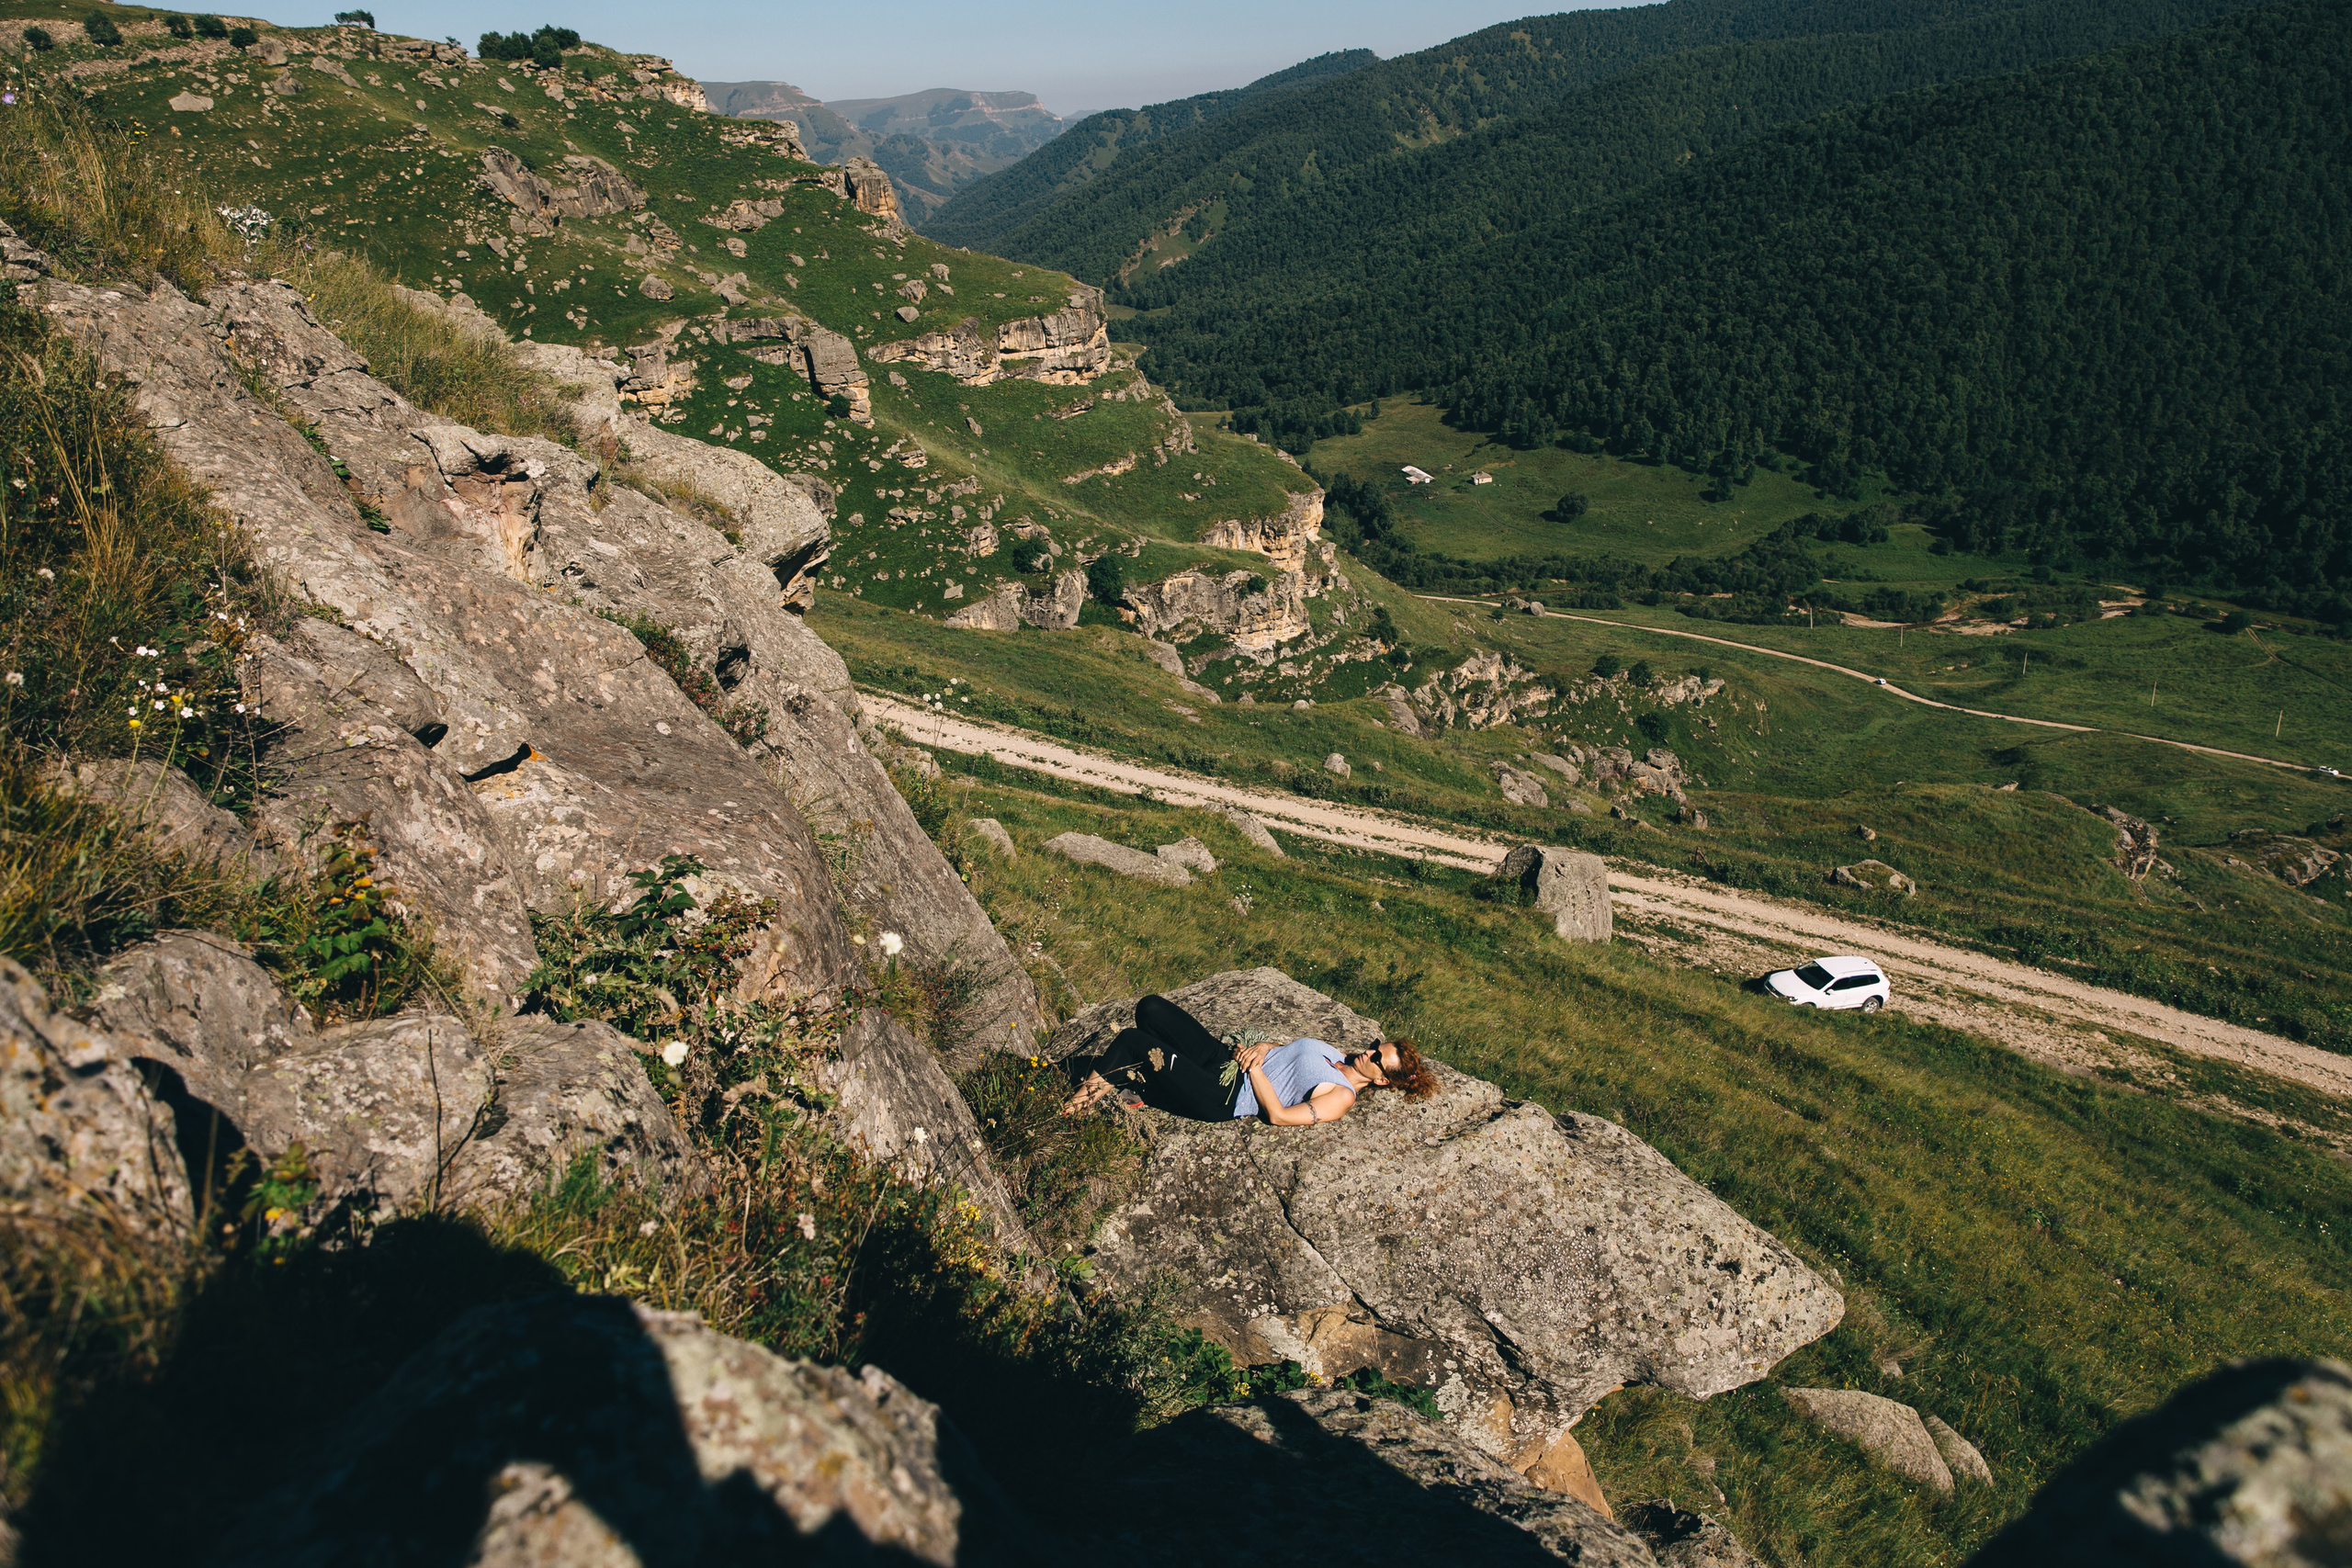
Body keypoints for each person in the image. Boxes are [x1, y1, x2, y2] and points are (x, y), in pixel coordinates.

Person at [1063, 992, 1436, 1123]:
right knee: (1151, 1009)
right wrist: (1264, 1048)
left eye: (1377, 1058)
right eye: (1376, 1046)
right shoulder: (1337, 1055)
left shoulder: (1341, 1097)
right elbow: (1288, 1055)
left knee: (1131, 1041)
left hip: (1224, 1094)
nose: (1368, 1051)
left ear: (1382, 1079)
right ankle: (1154, 1085)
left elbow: (1279, 1115)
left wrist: (1256, 1072)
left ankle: (1073, 1108)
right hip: (1226, 1059)